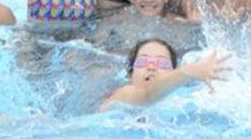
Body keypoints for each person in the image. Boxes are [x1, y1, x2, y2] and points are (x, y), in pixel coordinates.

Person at [99, 39, 232, 112]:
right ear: (130, 73)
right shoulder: (120, 96)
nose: (151, 67)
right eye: (143, 61)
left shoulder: (179, 101)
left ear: (172, 72)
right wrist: (189, 71)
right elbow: (148, 94)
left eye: (162, 63)